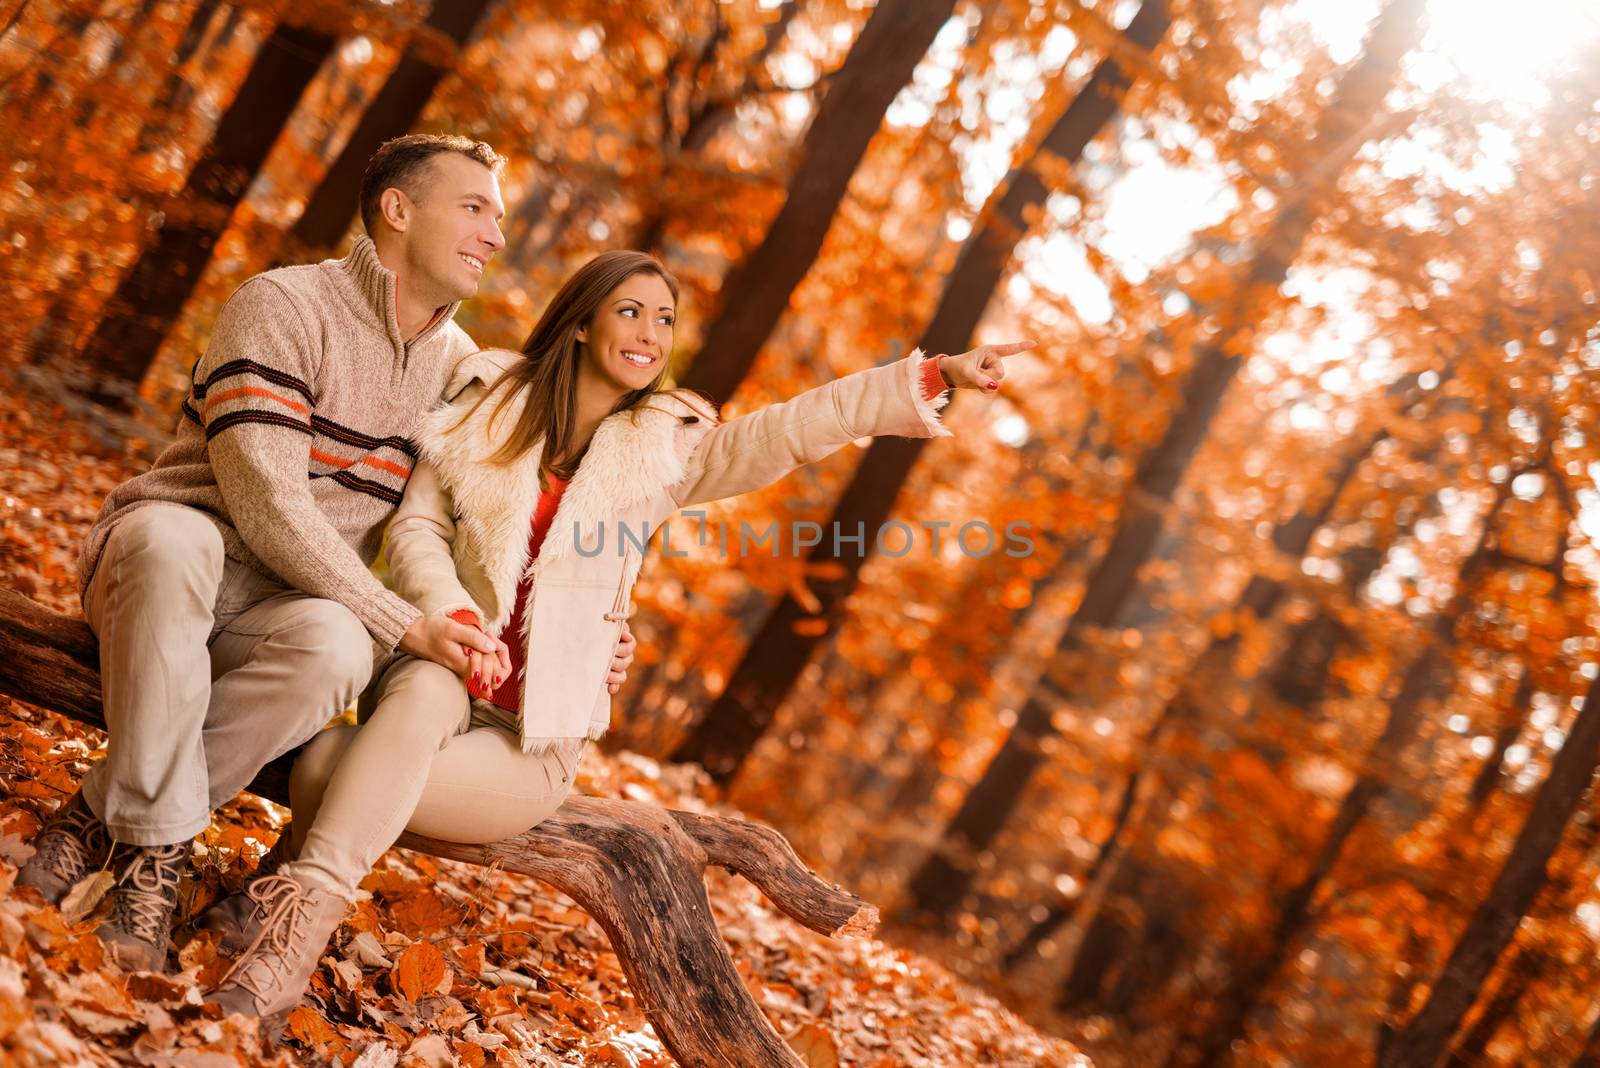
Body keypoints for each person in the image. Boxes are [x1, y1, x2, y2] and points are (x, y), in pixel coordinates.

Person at [198, 247, 1029, 1030]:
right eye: (630, 311)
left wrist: (934, 376)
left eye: (664, 320)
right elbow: (417, 531)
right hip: (441, 675)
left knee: (328, 765)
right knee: (418, 690)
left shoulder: (665, 450)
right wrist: (452, 616)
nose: (648, 334)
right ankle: (286, 944)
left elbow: (792, 428)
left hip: (531, 739)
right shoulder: (485, 401)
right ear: (585, 322)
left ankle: (282, 914)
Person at [16, 134, 636, 971]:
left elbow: (494, 521)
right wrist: (398, 618)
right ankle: (156, 857)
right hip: (161, 570)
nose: (496, 234)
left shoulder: (463, 376)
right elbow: (266, 503)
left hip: (284, 612)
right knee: (175, 540)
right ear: (397, 208)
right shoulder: (281, 305)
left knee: (339, 646)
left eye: (498, 216)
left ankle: (94, 818)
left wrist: (586, 627)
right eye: (475, 208)